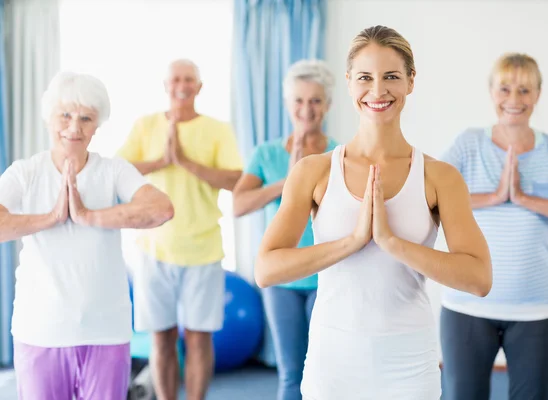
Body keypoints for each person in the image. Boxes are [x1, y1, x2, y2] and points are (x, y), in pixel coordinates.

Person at [254, 25, 492, 400]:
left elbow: (479, 278)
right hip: (332, 362)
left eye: (392, 77)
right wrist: (352, 242)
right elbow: (267, 270)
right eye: (365, 77)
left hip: (409, 364)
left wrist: (391, 243)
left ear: (411, 82)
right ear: (349, 83)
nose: (378, 91)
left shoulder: (439, 177)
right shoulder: (312, 172)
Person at [0, 71, 174, 400]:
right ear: (49, 117)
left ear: (97, 125)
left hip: (106, 331)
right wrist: (51, 217)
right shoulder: (26, 172)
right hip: (41, 330)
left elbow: (161, 209)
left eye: (86, 118)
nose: (74, 127)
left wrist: (88, 215)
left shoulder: (114, 171)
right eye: (65, 115)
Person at [439, 53, 548, 400]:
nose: (514, 100)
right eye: (505, 89)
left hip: (536, 310)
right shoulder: (469, 144)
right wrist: (496, 196)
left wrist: (526, 199)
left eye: (525, 90)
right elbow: (429, 197)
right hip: (467, 307)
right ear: (491, 92)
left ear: (538, 95)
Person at [118, 59, 243, 400]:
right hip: (153, 249)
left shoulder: (218, 130)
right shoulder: (145, 126)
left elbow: (235, 180)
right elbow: (118, 170)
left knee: (199, 336)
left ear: (199, 87)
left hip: (203, 249)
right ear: (165, 85)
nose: (182, 85)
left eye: (189, 79)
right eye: (175, 79)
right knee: (160, 336)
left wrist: (186, 162)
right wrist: (161, 160)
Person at [233, 59, 338, 400]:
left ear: (328, 105)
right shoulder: (265, 153)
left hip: (328, 276)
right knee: (291, 375)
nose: (307, 109)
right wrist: (288, 183)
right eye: (299, 101)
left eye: (315, 101)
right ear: (287, 105)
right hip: (281, 281)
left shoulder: (340, 154)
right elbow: (239, 204)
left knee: (327, 373)